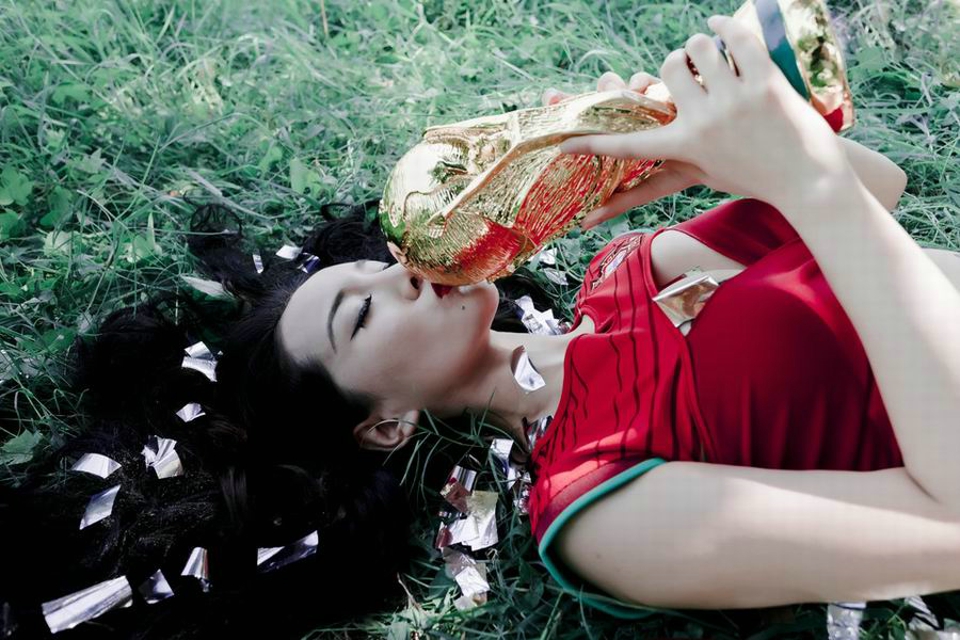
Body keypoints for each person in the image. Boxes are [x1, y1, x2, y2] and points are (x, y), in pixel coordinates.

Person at [3, 11, 959, 637]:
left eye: (379, 265)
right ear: (385, 425)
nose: (403, 275)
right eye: (361, 313)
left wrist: (700, 158)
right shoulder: (596, 510)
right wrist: (804, 185)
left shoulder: (625, 275)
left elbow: (876, 193)